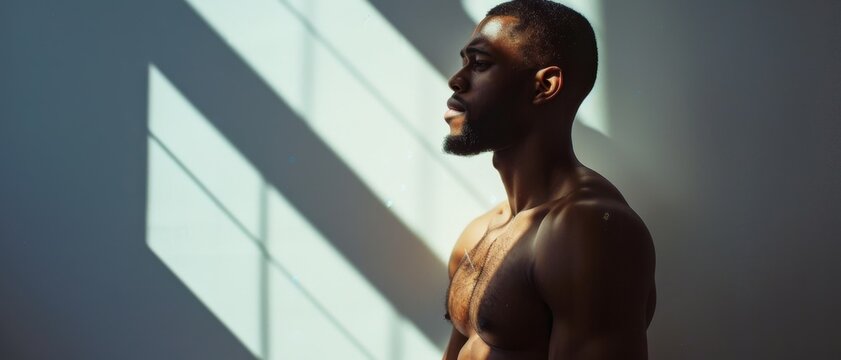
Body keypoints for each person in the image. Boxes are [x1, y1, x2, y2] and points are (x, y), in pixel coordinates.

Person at [441, 1, 656, 359]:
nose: (457, 80)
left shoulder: (590, 230)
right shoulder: (479, 233)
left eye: (479, 64)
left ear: (545, 86)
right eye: (464, 62)